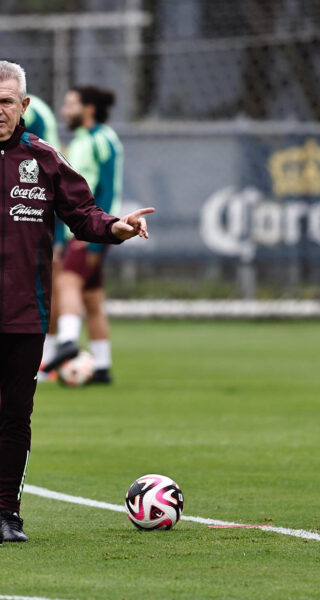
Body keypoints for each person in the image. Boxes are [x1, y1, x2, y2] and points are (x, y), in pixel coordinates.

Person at [0, 60, 154, 542]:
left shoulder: (44, 160)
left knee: (13, 418)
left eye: (5, 101)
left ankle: (6, 513)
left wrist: (116, 227)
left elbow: (83, 214)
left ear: (23, 106)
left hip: (24, 314)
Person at [41, 86, 124, 383]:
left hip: (91, 230)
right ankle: (101, 367)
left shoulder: (103, 140)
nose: (65, 111)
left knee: (66, 284)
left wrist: (97, 235)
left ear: (88, 108)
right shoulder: (79, 142)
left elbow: (108, 188)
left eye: (71, 105)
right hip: (78, 230)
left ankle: (66, 342)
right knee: (91, 297)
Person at [24, 94, 65, 379]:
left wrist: (59, 236)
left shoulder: (35, 113)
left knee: (43, 284)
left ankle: (46, 359)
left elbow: (50, 175)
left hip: (30, 209)